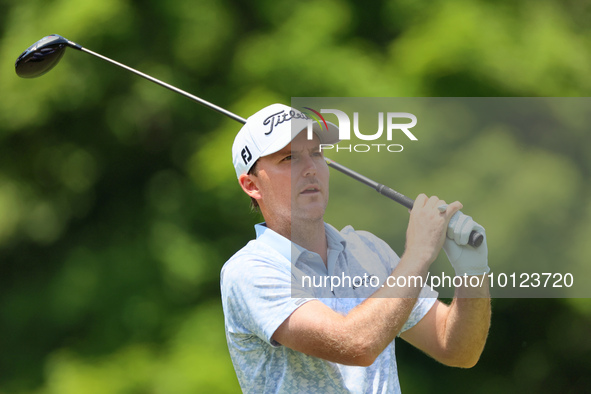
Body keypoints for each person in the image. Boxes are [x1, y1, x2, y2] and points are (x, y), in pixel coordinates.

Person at [221, 103, 491, 393]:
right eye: (289, 158)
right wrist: (419, 253)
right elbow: (356, 345)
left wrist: (472, 273)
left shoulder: (368, 249)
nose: (311, 169)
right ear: (251, 185)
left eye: (316, 153)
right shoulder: (249, 270)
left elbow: (457, 350)